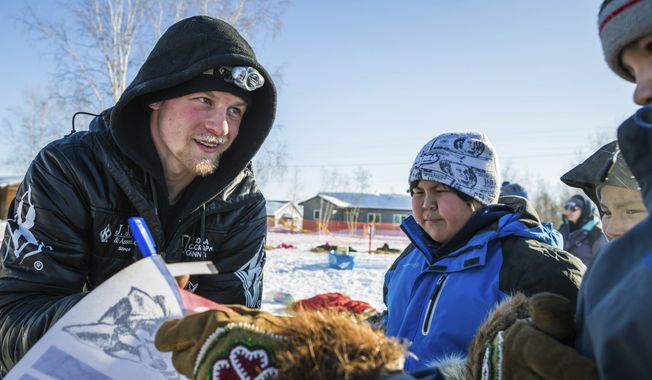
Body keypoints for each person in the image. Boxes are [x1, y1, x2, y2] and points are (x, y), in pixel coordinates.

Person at [0, 15, 276, 375]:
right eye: (204, 99)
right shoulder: (70, 170)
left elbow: (236, 341)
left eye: (235, 110)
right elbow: (11, 323)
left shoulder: (242, 205)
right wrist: (125, 311)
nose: (220, 127)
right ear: (155, 98)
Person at [473, 1, 652, 378]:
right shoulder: (612, 270)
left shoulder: (539, 259)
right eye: (632, 71)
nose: (639, 92)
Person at [382, 131, 585, 371]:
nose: (426, 203)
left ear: (477, 197)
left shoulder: (533, 268)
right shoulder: (410, 258)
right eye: (417, 191)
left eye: (440, 190)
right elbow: (394, 319)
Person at [561, 140, 648, 241]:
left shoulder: (594, 235)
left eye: (632, 211)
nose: (611, 230)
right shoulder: (564, 230)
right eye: (607, 212)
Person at [557, 194, 608, 266]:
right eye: (566, 208)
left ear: (585, 210)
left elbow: (604, 263)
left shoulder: (596, 234)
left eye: (573, 208)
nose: (568, 212)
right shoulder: (563, 229)